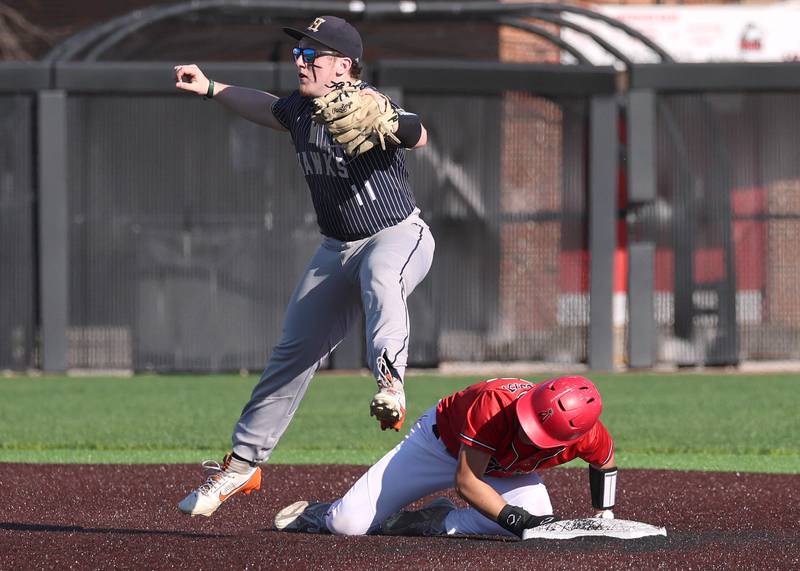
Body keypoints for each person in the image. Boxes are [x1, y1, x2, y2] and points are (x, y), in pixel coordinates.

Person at [173, 15, 435, 517]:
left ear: (343, 66)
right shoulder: (299, 109)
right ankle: (243, 464)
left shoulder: (366, 101)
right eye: (299, 51)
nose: (300, 59)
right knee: (292, 352)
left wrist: (393, 123)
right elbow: (264, 106)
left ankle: (391, 384)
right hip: (336, 246)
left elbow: (418, 134)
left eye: (312, 53)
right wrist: (211, 87)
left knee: (383, 280)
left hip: (397, 233)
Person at [273, 375, 618, 538]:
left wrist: (605, 513)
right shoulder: (495, 404)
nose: (527, 429)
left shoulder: (590, 436)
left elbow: (604, 463)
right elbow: (467, 481)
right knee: (345, 525)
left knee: (540, 518)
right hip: (438, 448)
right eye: (528, 418)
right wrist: (515, 518)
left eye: (538, 432)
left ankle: (437, 520)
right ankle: (319, 513)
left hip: (501, 470)